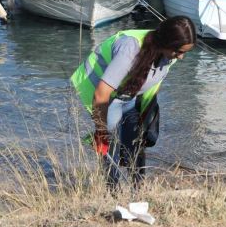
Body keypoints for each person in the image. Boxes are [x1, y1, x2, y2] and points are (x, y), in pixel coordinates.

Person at [70, 16, 196, 187]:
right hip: (106, 97)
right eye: (179, 51)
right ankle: (112, 192)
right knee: (110, 144)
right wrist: (101, 130)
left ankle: (138, 189)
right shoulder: (129, 49)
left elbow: (154, 82)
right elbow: (101, 94)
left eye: (185, 52)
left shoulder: (169, 54)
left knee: (137, 143)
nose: (181, 58)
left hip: (130, 97)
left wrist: (147, 115)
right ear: (166, 42)